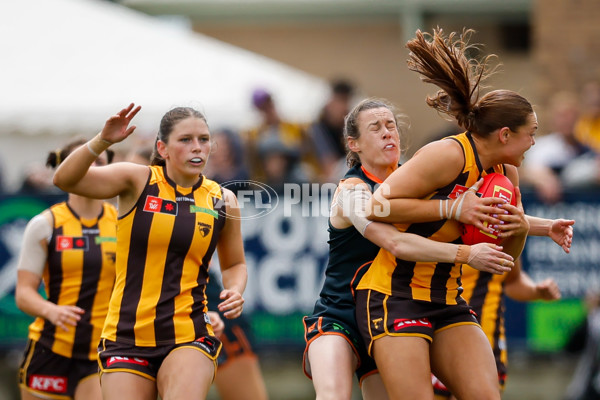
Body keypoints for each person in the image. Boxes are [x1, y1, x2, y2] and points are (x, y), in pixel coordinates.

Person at [355, 28, 551, 400]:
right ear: (506, 135)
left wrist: (523, 228)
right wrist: (453, 207)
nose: (536, 142)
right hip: (394, 295)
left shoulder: (506, 174)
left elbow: (506, 261)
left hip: (448, 300)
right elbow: (374, 206)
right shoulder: (449, 154)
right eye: (532, 133)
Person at [303, 98, 516, 400]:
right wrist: (467, 251)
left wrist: (543, 226)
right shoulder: (352, 191)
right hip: (343, 312)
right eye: (375, 128)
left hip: (388, 307)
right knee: (333, 396)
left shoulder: (416, 182)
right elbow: (395, 242)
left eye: (391, 125)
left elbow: (466, 210)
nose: (387, 133)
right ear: (354, 143)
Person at [52, 104, 248, 400]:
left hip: (188, 332)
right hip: (126, 335)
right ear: (162, 148)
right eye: (185, 140)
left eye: (204, 139)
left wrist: (235, 289)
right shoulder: (137, 180)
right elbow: (64, 180)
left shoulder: (222, 200)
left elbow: (234, 263)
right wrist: (102, 140)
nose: (197, 147)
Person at [126, 136, 268, 400]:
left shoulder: (198, 203)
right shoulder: (116, 218)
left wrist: (221, 303)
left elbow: (233, 262)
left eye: (137, 176)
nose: (130, 188)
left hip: (203, 309)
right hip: (138, 327)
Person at [16, 138, 116, 400]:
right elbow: (24, 293)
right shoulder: (45, 224)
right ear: (63, 169)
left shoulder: (123, 223)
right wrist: (52, 311)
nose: (92, 167)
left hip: (101, 354)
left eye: (100, 162)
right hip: (51, 351)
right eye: (84, 160)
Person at [432, 257, 562, 399]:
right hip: (428, 334)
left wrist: (536, 291)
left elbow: (512, 280)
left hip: (485, 339)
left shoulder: (502, 235)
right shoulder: (420, 238)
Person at [520, 91, 589, 203]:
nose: (567, 121)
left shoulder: (586, 148)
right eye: (562, 116)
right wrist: (545, 180)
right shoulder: (543, 146)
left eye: (571, 116)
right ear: (553, 119)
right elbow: (531, 169)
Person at [308, 79, 356, 183]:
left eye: (346, 101)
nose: (343, 107)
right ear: (331, 101)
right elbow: (328, 167)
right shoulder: (318, 128)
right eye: (340, 100)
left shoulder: (351, 126)